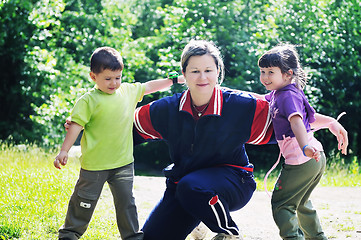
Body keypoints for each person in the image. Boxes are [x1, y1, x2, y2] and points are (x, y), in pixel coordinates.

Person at [64, 40, 348, 240]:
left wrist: (330, 123)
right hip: (183, 188)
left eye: (208, 70)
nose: (202, 77)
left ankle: (229, 233)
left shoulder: (243, 105)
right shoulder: (166, 110)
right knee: (155, 233)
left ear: (218, 73)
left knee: (193, 186)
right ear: (184, 74)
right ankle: (197, 224)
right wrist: (82, 142)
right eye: (194, 70)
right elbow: (123, 130)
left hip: (234, 181)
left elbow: (289, 116)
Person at [54, 46, 184, 240]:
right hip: (94, 165)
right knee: (83, 202)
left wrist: (174, 80)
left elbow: (149, 86)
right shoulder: (88, 100)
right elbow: (75, 125)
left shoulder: (128, 91)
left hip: (123, 163)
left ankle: (132, 237)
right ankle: (70, 234)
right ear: (93, 76)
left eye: (118, 77)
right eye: (108, 78)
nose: (114, 83)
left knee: (127, 204)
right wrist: (64, 151)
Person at [258, 43, 348, 240]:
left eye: (270, 72)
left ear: (288, 74)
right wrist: (332, 122)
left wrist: (304, 146)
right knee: (301, 202)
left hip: (302, 158)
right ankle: (317, 237)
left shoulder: (286, 96)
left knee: (282, 204)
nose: (264, 77)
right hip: (316, 158)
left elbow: (297, 121)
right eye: (262, 71)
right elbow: (310, 119)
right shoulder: (281, 93)